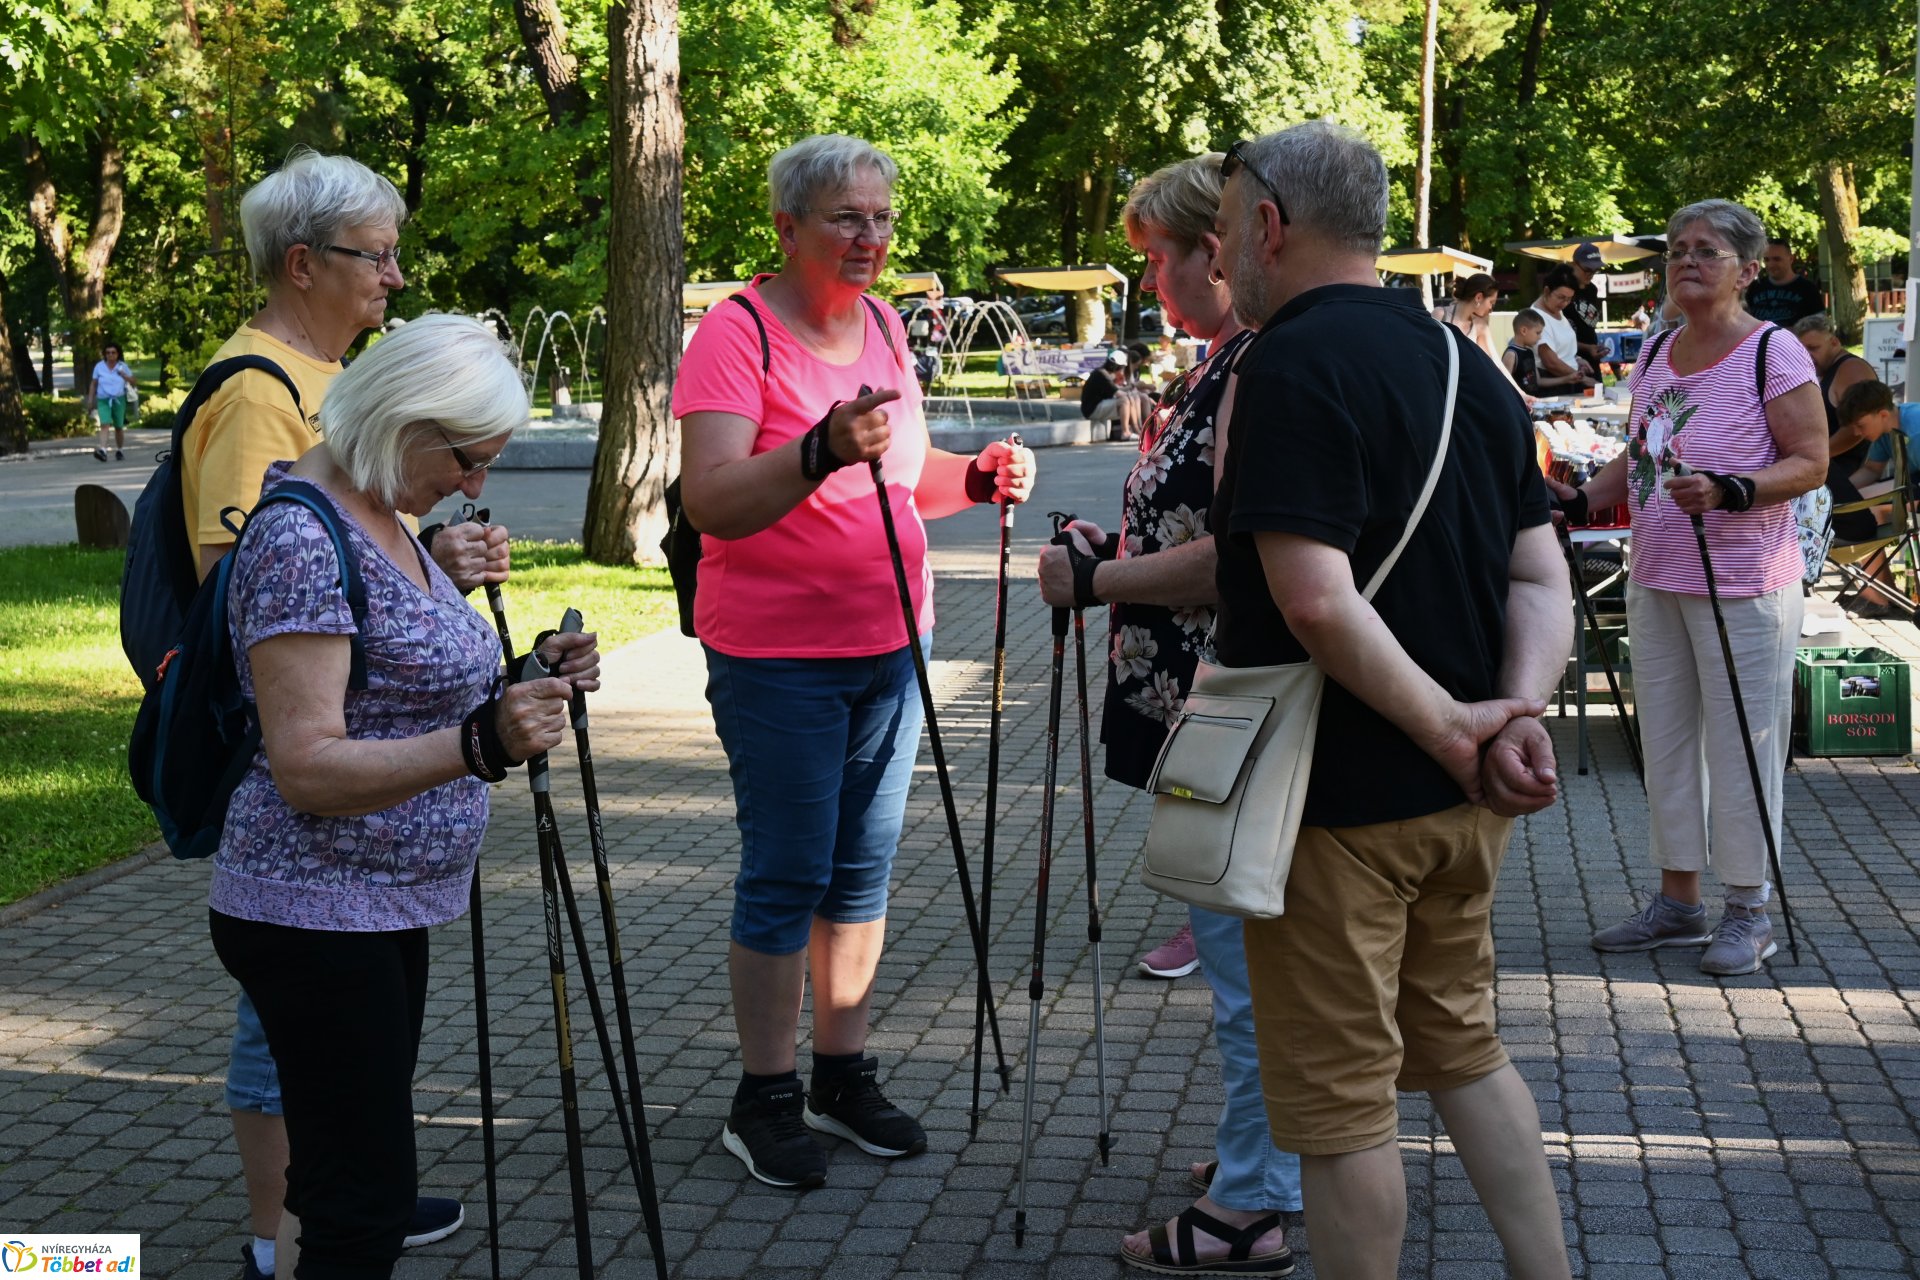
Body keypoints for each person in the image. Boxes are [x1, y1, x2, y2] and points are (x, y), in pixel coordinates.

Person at [1210, 121, 1576, 1280]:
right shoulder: (1474, 362)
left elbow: (1312, 599)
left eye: (1223, 237)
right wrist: (1506, 716)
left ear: (1270, 224)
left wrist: (1450, 725)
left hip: (1335, 804)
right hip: (1466, 802)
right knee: (1466, 1047)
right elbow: (1539, 575)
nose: (1222, 265)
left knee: (1339, 1101)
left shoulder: (1285, 365)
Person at [672, 133, 1036, 1191]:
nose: (870, 236)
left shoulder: (881, 325)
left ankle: (842, 1071)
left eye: (880, 217)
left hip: (894, 642)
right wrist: (819, 446)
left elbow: (903, 475)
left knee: (859, 871)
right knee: (787, 872)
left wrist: (974, 480)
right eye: (845, 217)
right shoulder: (735, 336)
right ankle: (766, 1094)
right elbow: (713, 498)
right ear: (786, 228)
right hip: (778, 655)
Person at [209, 314, 600, 1280]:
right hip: (313, 911)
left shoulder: (379, 512)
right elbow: (307, 763)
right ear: (407, 423)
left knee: (344, 1184)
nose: (475, 486)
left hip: (377, 903)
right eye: (469, 459)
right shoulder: (304, 535)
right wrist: (482, 740)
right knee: (362, 1206)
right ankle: (54, 1262)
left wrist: (526, 673)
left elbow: (397, 684)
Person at [188, 149, 506, 1280]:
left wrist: (452, 599)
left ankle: (300, 1226)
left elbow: (362, 615)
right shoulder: (259, 398)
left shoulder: (349, 425)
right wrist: (477, 736)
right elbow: (274, 614)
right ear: (302, 261)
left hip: (365, 890)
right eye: (376, 254)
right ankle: (269, 1244)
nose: (393, 274)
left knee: (344, 1152)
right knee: (330, 1158)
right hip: (309, 881)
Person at [1037, 153, 1301, 1276]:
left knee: (1247, 964)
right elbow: (1191, 530)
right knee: (1246, 958)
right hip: (1202, 706)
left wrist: (1099, 581)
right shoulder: (1221, 363)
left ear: (1218, 247)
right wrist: (1119, 549)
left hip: (1231, 708)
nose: (1149, 281)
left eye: (1157, 257)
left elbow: (1235, 560)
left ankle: (1258, 1198)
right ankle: (1266, 1151)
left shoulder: (1254, 365)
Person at [1551, 199, 1825, 977]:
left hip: (1744, 581)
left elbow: (1811, 461)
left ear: (1745, 269)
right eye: (1677, 250)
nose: (1686, 262)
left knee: (1741, 746)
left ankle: (1749, 910)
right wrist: (1582, 497)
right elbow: (1639, 457)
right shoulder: (1657, 350)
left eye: (1706, 251)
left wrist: (1736, 488)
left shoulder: (1774, 351)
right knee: (1664, 745)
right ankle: (1678, 903)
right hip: (1660, 571)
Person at [1794, 313, 1879, 542]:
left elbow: (1856, 431)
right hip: (1832, 466)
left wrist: (1815, 456)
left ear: (1834, 342)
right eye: (1803, 350)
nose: (1808, 356)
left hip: (1849, 467)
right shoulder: (1828, 371)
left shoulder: (1851, 369)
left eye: (1813, 347)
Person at [1436, 272, 1529, 401]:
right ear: (1479, 297)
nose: (1491, 308)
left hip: (1464, 391)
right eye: (1491, 302)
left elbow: (1496, 363)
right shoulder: (1440, 314)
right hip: (1440, 388)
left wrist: (1520, 394)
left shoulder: (1480, 326)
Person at [1531, 267, 1597, 390]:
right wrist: (1583, 379)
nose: (1564, 303)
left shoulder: (1556, 310)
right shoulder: (1537, 317)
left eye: (1569, 299)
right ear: (1546, 291)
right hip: (1554, 385)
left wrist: (1577, 359)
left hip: (1570, 379)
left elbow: (1562, 347)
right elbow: (1551, 363)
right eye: (1561, 297)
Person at [1504, 309, 1585, 395]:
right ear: (1524, 331)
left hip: (1533, 402)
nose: (1540, 337)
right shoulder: (1511, 354)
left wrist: (1567, 378)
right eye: (1537, 333)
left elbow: (1539, 381)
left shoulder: (1529, 352)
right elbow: (1504, 383)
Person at [1745, 238, 1825, 325]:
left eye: (1777, 259)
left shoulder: (1807, 289)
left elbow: (1819, 326)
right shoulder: (1755, 287)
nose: (1771, 264)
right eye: (1767, 259)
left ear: (1791, 259)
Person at [1082, 352, 1151, 438]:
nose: (1121, 370)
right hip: (1092, 410)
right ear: (1115, 366)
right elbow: (1119, 394)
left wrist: (1133, 390)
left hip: (1099, 405)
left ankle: (1142, 429)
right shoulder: (1101, 374)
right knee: (1124, 400)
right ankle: (1127, 432)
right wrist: (1133, 391)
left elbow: (1117, 390)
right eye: (1121, 367)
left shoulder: (1104, 373)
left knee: (1134, 397)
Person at [85, 341, 135, 461]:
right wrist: (90, 400)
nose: (110, 355)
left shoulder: (122, 366)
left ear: (118, 354)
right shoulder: (99, 367)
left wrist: (124, 375)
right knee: (105, 424)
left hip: (119, 399)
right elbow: (94, 384)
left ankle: (120, 450)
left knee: (118, 426)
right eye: (108, 353)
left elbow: (133, 381)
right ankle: (103, 450)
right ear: (105, 354)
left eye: (113, 352)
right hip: (103, 399)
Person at [1566, 242, 1610, 372]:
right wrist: (1587, 347)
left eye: (1595, 270)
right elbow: (1557, 336)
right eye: (1587, 269)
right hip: (1571, 360)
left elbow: (1588, 326)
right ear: (1574, 264)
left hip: (1592, 358)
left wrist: (1594, 347)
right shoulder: (1563, 291)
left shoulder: (1592, 290)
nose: (1591, 274)